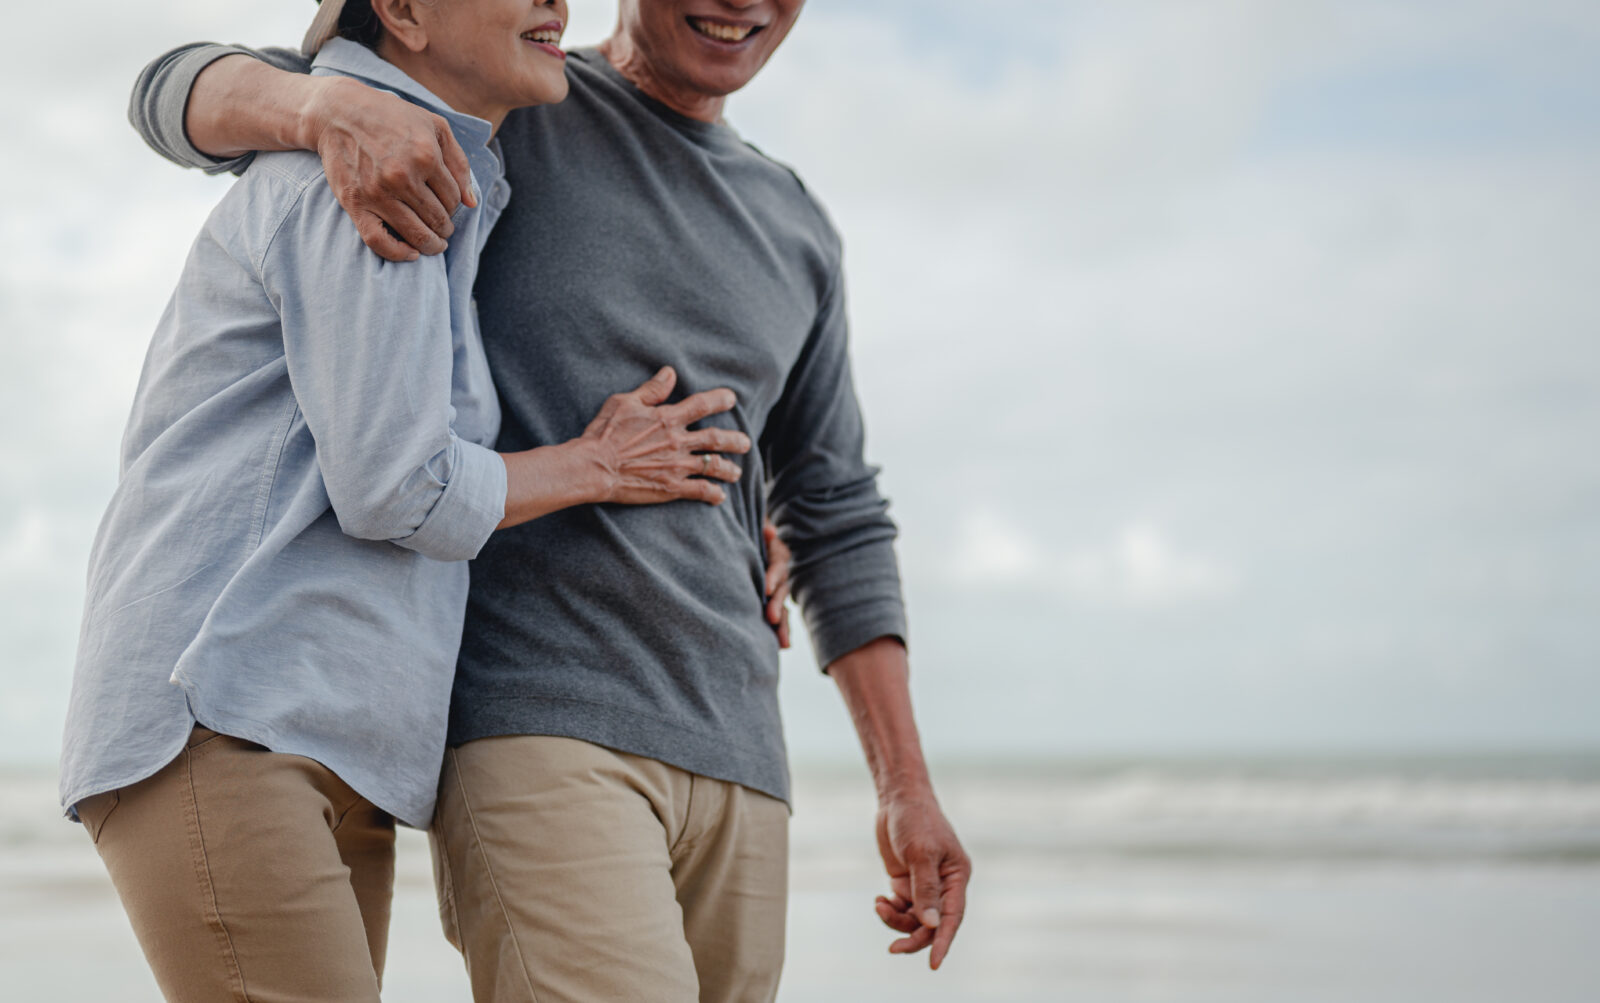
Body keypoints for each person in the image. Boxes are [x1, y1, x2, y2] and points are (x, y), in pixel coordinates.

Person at [129, 1, 973, 1000]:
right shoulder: (496, 101)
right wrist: (322, 108)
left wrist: (903, 787)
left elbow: (834, 507)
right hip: (533, 712)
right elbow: (172, 91)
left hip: (741, 745)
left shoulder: (794, 224)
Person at [60, 1, 763, 1000]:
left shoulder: (444, 164)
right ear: (401, 11)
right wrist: (603, 467)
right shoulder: (370, 162)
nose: (556, 1)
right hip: (223, 710)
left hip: (311, 732)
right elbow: (401, 488)